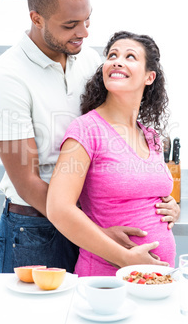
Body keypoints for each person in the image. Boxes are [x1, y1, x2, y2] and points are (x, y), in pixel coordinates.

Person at [0, 0, 179, 274]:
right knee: (36, 322)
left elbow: (114, 137)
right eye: (71, 24)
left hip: (84, 221)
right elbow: (28, 183)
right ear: (37, 19)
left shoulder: (88, 60)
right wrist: (97, 231)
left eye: (87, 20)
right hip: (35, 228)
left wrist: (162, 203)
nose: (84, 33)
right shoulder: (6, 78)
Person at [46, 31, 177, 276]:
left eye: (130, 56)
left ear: (150, 77)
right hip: (106, 279)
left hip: (156, 280)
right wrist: (126, 259)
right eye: (112, 55)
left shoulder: (150, 136)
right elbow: (58, 208)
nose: (117, 61)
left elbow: (148, 195)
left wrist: (172, 209)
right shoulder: (86, 130)